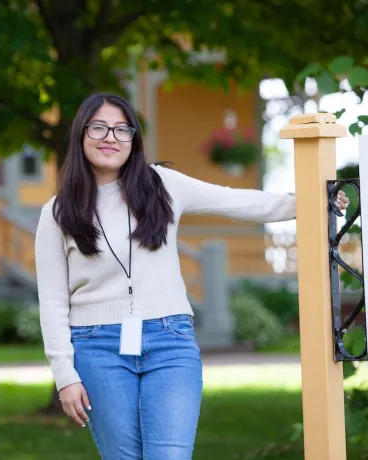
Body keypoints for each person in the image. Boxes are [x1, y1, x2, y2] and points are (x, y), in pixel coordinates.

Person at [34, 92, 349, 460]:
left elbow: (234, 201)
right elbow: (53, 301)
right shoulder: (56, 213)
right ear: (81, 135)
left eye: (122, 129)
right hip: (97, 348)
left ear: (134, 138)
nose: (111, 138)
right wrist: (65, 375)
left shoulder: (162, 185)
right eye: (99, 128)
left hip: (170, 342)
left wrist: (309, 202)